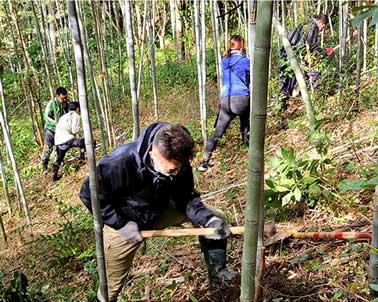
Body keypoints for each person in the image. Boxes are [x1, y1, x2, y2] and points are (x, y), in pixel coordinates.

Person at [80, 122, 236, 301]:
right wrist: (121, 224)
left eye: (179, 168)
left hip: (159, 211)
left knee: (216, 217)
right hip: (124, 222)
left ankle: (218, 278)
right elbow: (89, 194)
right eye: (172, 169)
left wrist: (208, 221)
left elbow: (185, 197)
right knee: (110, 287)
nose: (177, 172)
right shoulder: (119, 162)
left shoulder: (179, 161)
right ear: (152, 154)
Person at [198, 35, 251, 172]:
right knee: (245, 121)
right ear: (241, 45)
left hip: (226, 100)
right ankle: (247, 147)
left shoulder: (224, 60)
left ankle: (204, 162)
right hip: (241, 99)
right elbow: (252, 76)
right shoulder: (244, 60)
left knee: (217, 133)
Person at [277, 14, 334, 114]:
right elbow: (310, 46)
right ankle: (317, 99)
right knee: (314, 73)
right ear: (320, 22)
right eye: (323, 27)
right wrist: (324, 51)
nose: (321, 29)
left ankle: (282, 104)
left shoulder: (305, 24)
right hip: (296, 55)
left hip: (288, 54)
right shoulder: (313, 27)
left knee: (286, 79)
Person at [50, 102, 85, 181]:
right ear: (78, 109)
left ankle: (53, 176)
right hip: (68, 140)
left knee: (59, 158)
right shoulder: (76, 116)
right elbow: (75, 130)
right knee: (88, 142)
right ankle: (83, 158)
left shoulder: (63, 116)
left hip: (58, 141)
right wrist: (84, 129)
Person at [42, 87, 69, 172]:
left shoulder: (67, 103)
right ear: (57, 96)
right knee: (48, 148)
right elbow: (47, 117)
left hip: (61, 130)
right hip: (50, 130)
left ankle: (57, 164)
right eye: (62, 98)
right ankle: (44, 166)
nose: (64, 100)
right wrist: (56, 124)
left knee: (60, 147)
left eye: (65, 98)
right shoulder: (52, 104)